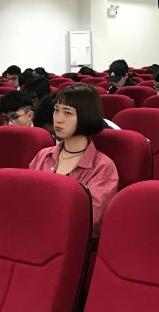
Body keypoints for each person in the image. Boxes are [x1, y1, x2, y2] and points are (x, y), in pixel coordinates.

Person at [29, 84, 119, 233]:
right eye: (56, 110)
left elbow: (90, 219)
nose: (58, 119)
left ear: (86, 116)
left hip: (69, 239)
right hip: (33, 233)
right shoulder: (43, 156)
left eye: (67, 113)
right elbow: (26, 200)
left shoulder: (102, 167)